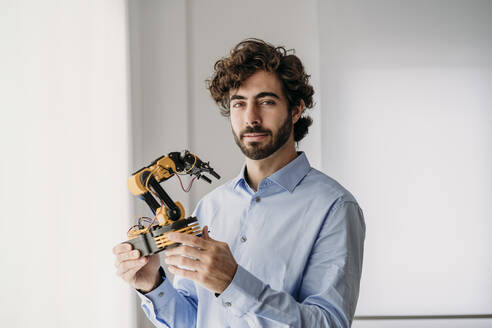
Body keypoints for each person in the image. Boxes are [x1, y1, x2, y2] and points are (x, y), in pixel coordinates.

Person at [113, 38, 366, 328]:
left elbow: (328, 324)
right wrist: (153, 285)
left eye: (266, 102)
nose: (251, 117)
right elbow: (195, 321)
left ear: (296, 110)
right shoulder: (210, 206)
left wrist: (233, 282)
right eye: (239, 104)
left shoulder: (334, 207)